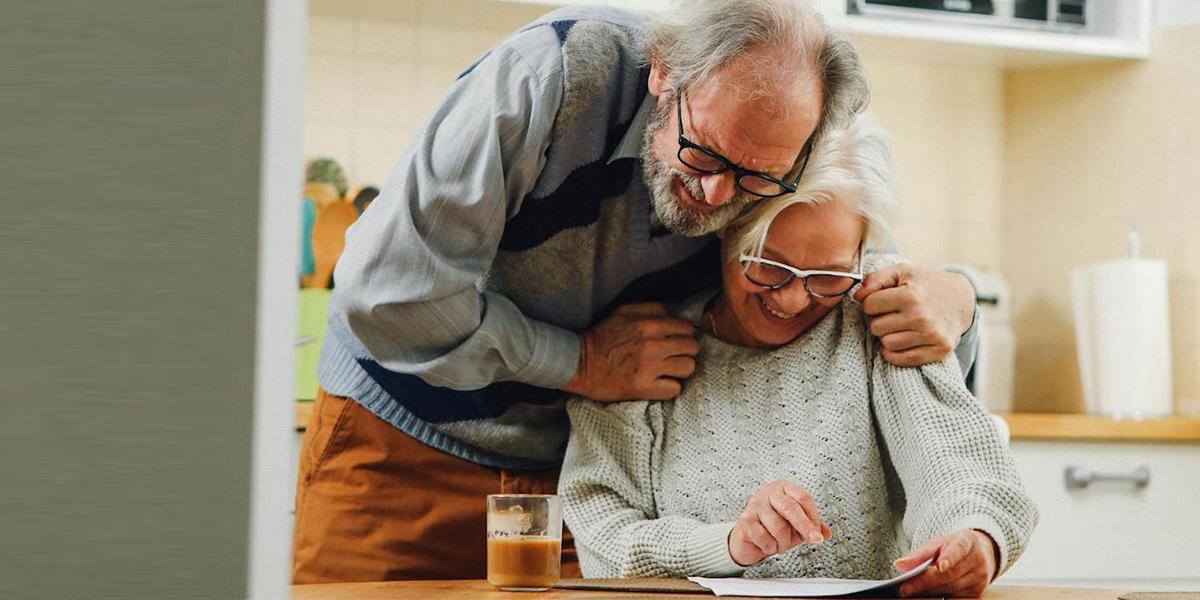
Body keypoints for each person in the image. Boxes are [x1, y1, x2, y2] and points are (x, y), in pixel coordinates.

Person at [292, 0, 982, 583]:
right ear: (663, 72)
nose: (718, 196)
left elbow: (858, 267)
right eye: (703, 153)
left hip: (578, 479)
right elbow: (389, 296)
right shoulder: (552, 77)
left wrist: (958, 297)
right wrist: (582, 363)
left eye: (756, 180)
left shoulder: (797, 136)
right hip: (404, 450)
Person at [558, 118, 1037, 598]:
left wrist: (976, 538)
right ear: (725, 231)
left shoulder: (879, 316)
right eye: (767, 265)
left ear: (860, 255)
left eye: (827, 277)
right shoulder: (640, 352)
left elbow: (965, 469)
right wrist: (727, 544)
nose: (790, 301)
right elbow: (604, 537)